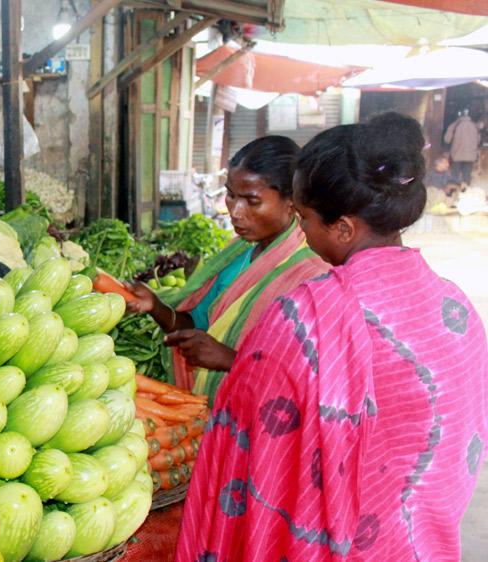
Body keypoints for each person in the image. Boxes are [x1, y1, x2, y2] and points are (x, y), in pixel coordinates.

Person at [175, 112, 488, 561]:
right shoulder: (455, 307)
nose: (300, 231)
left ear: (343, 228)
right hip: (427, 545)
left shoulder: (304, 320)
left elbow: (251, 454)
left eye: (303, 218)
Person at [127, 136, 328, 403]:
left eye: (252, 201)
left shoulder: (311, 274)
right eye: (231, 195)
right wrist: (155, 306)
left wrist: (229, 359)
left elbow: (311, 376)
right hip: (213, 413)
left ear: (291, 203)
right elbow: (198, 327)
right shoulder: (238, 253)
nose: (235, 211)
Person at [444, 109, 480, 186]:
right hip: (471, 155)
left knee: (455, 176)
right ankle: (465, 192)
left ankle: (454, 192)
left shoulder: (454, 125)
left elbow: (447, 140)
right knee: (467, 175)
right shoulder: (475, 126)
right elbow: (478, 141)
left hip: (457, 154)